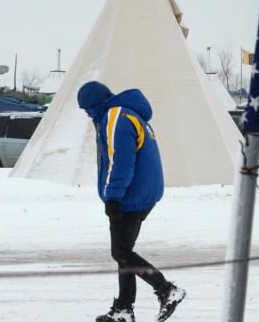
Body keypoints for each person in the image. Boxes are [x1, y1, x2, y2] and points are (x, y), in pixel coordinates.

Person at [77, 81, 186, 322]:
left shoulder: (116, 117)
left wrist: (113, 196)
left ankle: (166, 289)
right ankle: (124, 309)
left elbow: (121, 161)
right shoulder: (128, 113)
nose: (86, 115)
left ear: (94, 105)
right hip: (142, 193)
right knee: (123, 253)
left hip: (131, 195)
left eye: (86, 109)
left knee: (122, 252)